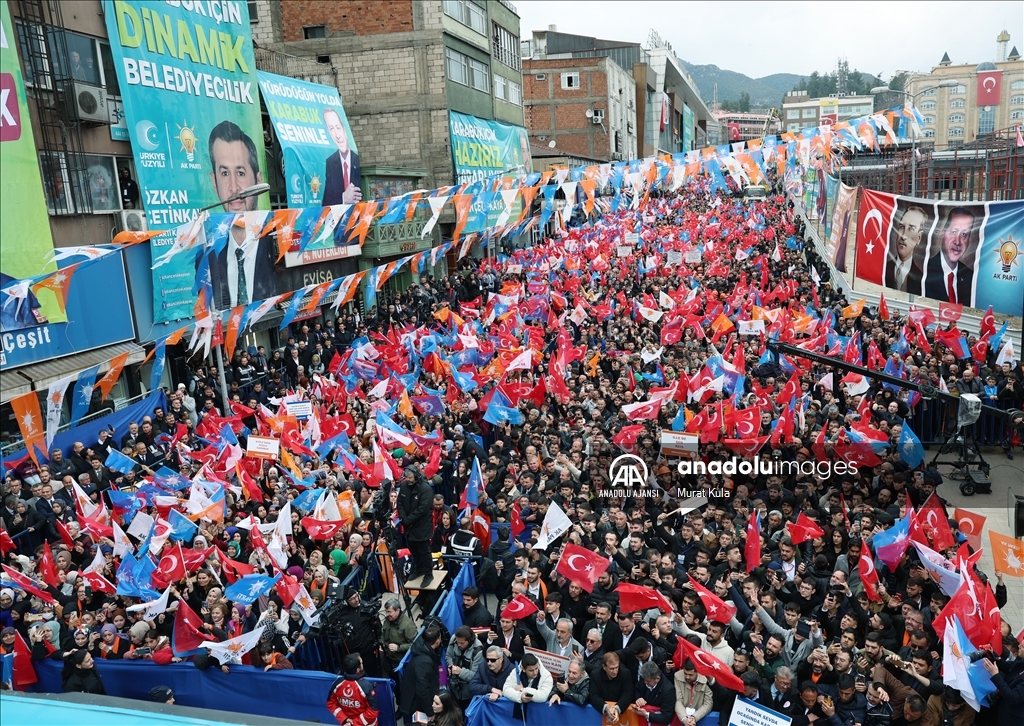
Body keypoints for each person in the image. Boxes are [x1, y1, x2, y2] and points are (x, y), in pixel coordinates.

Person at [206, 120, 277, 309]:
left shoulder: (276, 247)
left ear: (258, 179)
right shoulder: (207, 258)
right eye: (224, 173)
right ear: (214, 181)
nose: (234, 188)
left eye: (240, 172)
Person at [924, 207, 975, 305]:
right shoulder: (925, 270)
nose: (957, 242)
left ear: (969, 240)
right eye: (954, 232)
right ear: (942, 234)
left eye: (964, 234)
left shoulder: (970, 277)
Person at [397, 467, 434, 585]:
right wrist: (403, 518)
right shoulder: (403, 486)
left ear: (416, 475)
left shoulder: (425, 489)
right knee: (413, 548)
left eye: (410, 477)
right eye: (406, 477)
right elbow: (400, 503)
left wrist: (408, 520)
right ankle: (419, 569)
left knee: (424, 550)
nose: (408, 480)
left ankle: (429, 574)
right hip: (409, 525)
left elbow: (422, 509)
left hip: (421, 525)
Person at [400, 626, 442, 721]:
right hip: (415, 706)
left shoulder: (423, 651)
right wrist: (430, 712)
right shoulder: (424, 662)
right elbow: (422, 690)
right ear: (437, 641)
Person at [322, 109, 361, 208]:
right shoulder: (330, 162)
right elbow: (326, 202)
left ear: (344, 129)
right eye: (331, 129)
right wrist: (343, 198)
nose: (337, 135)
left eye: (338, 128)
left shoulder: (358, 159)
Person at [327, 653, 379, 726]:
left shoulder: (337, 683)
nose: (362, 664)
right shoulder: (366, 686)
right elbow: (373, 711)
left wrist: (345, 720)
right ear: (358, 669)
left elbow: (331, 703)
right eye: (361, 663)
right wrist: (353, 723)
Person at [885, 205, 927, 293]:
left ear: (919, 238)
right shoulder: (883, 268)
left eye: (911, 229)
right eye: (901, 227)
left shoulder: (922, 278)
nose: (903, 236)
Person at [589, 652, 634, 723]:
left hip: (621, 714)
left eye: (617, 667)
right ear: (604, 667)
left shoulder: (625, 673)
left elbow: (628, 693)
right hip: (600, 716)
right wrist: (605, 707)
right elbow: (593, 695)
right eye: (611, 669)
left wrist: (617, 708)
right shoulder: (595, 675)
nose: (615, 671)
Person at [446, 625, 483, 709]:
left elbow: (475, 676)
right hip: (454, 688)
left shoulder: (478, 651)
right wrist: (451, 665)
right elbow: (448, 655)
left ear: (469, 640)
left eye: (462, 643)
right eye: (457, 642)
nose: (458, 645)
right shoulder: (454, 639)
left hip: (468, 694)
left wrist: (460, 672)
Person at [381, 599, 417, 675]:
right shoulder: (388, 620)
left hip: (400, 661)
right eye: (386, 611)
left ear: (398, 610)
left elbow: (415, 644)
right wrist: (382, 643)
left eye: (389, 612)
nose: (387, 614)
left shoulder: (408, 625)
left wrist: (398, 648)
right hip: (387, 657)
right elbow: (383, 633)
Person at [674, 658, 713, 726]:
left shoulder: (706, 680)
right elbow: (678, 700)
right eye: (685, 673)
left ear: (697, 672)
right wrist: (684, 718)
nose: (687, 677)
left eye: (690, 675)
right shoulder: (677, 676)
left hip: (699, 717)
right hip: (683, 716)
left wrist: (694, 717)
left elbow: (708, 704)